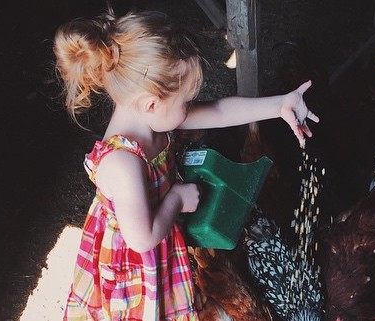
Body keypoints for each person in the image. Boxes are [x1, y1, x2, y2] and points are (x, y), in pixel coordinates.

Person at [53, 8, 319, 321]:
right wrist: (177, 198)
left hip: (158, 247)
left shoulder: (155, 120)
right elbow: (141, 239)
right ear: (152, 102)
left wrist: (279, 105)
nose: (189, 110)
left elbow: (220, 112)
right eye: (185, 103)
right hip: (132, 269)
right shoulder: (122, 163)